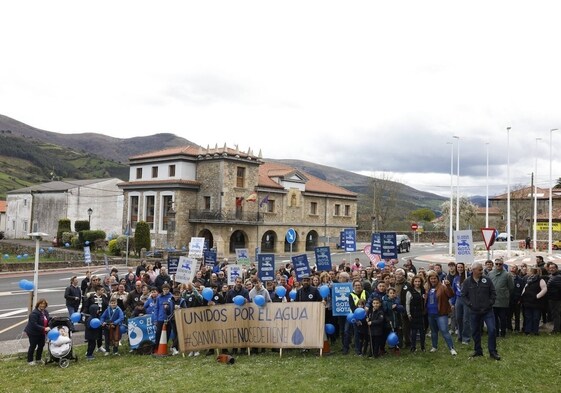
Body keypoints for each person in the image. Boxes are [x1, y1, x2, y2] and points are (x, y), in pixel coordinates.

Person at [461, 262, 500, 360]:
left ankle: (493, 352)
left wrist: (490, 302)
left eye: (482, 269)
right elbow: (463, 295)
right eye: (479, 270)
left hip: (487, 311)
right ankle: (478, 350)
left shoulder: (487, 280)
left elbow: (493, 293)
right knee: (475, 331)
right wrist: (470, 304)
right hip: (474, 311)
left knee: (492, 329)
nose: (481, 271)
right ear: (473, 270)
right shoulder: (467, 282)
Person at [425, 271, 457, 356]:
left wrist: (448, 286)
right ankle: (434, 346)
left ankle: (451, 348)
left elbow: (451, 294)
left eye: (435, 278)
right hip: (430, 313)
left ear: (437, 279)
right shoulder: (427, 288)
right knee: (434, 331)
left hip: (441, 314)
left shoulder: (443, 287)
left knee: (444, 331)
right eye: (431, 278)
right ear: (429, 279)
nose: (433, 280)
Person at [488, 258, 514, 337]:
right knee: (494, 318)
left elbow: (511, 287)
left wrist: (505, 294)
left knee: (503, 318)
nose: (498, 265)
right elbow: (488, 285)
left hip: (503, 300)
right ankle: (496, 333)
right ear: (494, 264)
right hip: (493, 300)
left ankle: (503, 333)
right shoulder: (490, 273)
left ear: (503, 264)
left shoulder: (507, 274)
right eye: (496, 264)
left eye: (500, 264)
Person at [521, 267, 547, 335]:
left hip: (536, 302)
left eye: (529, 271)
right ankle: (528, 330)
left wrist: (537, 296)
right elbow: (524, 289)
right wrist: (522, 296)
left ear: (533, 272)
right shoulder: (528, 280)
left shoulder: (540, 280)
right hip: (527, 301)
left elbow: (544, 289)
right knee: (528, 317)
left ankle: (535, 331)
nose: (527, 272)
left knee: (536, 317)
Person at [24, 298, 51, 365]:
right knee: (33, 346)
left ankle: (38, 359)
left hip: (41, 332)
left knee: (41, 345)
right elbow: (34, 324)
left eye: (44, 304)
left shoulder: (45, 311)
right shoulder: (34, 313)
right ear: (38, 304)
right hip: (33, 333)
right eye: (41, 304)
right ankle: (30, 361)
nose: (42, 305)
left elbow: (47, 319)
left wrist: (52, 320)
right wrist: (44, 329)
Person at [452, 262, 471, 345]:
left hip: (466, 299)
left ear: (464, 268)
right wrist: (453, 302)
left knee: (466, 319)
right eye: (458, 267)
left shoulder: (468, 277)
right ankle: (460, 336)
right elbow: (454, 290)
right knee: (458, 318)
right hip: (458, 299)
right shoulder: (455, 278)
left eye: (461, 267)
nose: (460, 269)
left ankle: (466, 338)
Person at [406, 275, 426, 352]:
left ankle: (422, 346)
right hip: (413, 313)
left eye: (419, 281)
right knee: (413, 331)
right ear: (413, 282)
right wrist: (408, 314)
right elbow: (407, 303)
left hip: (421, 312)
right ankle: (413, 346)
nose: (417, 283)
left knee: (422, 331)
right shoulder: (410, 291)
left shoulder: (423, 290)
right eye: (416, 281)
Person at [152, 283, 173, 354]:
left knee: (168, 333)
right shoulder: (159, 297)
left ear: (169, 289)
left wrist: (168, 308)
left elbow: (172, 308)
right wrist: (155, 319)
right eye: (164, 289)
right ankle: (156, 347)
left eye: (167, 289)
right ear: (162, 289)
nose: (165, 291)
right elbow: (156, 308)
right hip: (160, 318)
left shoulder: (171, 297)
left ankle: (164, 346)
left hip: (169, 318)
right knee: (158, 333)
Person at [546, 262, 561, 334]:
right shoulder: (551, 276)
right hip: (552, 298)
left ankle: (556, 330)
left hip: (556, 299)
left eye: (553, 268)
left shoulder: (558, 277)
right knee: (555, 314)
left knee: (556, 315)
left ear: (556, 268)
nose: (551, 269)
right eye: (550, 268)